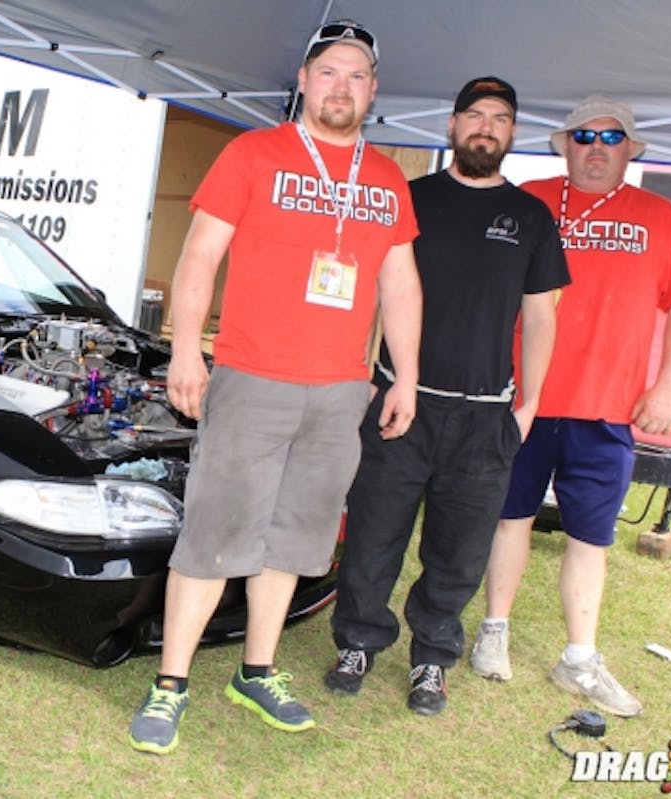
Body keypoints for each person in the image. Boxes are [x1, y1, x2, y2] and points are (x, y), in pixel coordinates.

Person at [127, 19, 423, 755]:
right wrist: (188, 351)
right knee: (216, 530)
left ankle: (257, 670)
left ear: (373, 91)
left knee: (295, 537)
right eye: (328, 72)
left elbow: (401, 284)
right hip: (253, 376)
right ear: (302, 80)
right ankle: (170, 683)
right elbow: (199, 256)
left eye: (356, 75)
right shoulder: (254, 154)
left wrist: (405, 376)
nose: (341, 86)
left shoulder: (386, 178)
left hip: (339, 391)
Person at [323, 77, 569, 715]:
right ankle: (358, 640)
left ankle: (432, 658)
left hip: (488, 418)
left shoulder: (533, 218)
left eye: (501, 118)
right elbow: (369, 291)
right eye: (475, 115)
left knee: (459, 549)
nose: (486, 127)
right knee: (375, 533)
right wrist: (362, 375)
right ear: (453, 126)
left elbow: (542, 317)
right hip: (401, 403)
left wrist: (530, 404)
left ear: (512, 134)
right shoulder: (410, 199)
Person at [470, 95, 671, 717]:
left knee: (590, 537)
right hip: (524, 401)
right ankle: (493, 633)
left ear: (629, 149)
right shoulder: (528, 203)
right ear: (564, 144)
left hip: (607, 409)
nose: (596, 146)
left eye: (611, 136)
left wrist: (667, 385)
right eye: (584, 135)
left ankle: (578, 657)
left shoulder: (660, 215)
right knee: (510, 519)